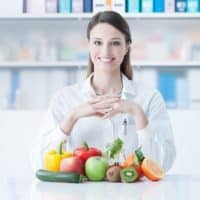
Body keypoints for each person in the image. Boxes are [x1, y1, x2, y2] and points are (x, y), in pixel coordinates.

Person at [31, 11, 176, 173]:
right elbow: (39, 164)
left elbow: (163, 164)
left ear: (127, 46)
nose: (105, 52)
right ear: (89, 45)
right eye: (98, 43)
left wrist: (137, 112)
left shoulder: (149, 98)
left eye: (114, 43)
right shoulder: (65, 98)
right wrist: (72, 117)